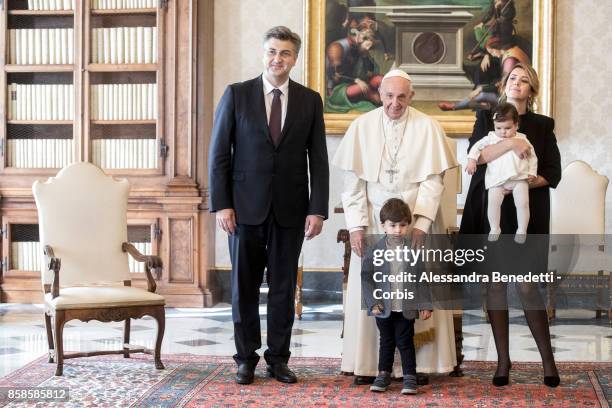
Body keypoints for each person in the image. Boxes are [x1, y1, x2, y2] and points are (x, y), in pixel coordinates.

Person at [208, 26, 329, 385]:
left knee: (283, 288)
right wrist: (223, 205)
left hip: (291, 211)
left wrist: (317, 208)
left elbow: (318, 160)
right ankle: (245, 358)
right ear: (263, 54)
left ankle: (278, 359)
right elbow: (219, 155)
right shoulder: (236, 94)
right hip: (243, 210)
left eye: (286, 53)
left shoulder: (310, 100)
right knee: (242, 288)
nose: (278, 59)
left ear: (295, 58)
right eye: (272, 52)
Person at [332, 69, 458, 385]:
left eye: (402, 96)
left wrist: (423, 224)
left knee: (416, 292)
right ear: (380, 95)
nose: (395, 103)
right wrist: (358, 226)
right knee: (375, 292)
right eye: (389, 96)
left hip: (414, 227)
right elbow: (353, 183)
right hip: (377, 226)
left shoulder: (428, 127)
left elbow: (433, 181)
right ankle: (371, 365)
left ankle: (420, 367)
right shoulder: (361, 127)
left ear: (411, 97)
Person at [459, 63, 562, 387]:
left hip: (525, 213)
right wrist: (511, 144)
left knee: (527, 286)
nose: (518, 83)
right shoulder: (485, 118)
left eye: (525, 80)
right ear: (505, 84)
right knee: (495, 286)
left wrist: (515, 184)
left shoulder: (543, 126)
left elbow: (552, 173)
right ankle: (503, 362)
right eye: (513, 78)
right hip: (493, 216)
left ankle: (548, 360)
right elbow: (478, 158)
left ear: (532, 90)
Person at [361, 198, 432, 395]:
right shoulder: (374, 250)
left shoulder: (414, 250)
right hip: (383, 307)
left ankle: (410, 376)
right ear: (383, 225)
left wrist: (426, 304)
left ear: (408, 225)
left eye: (402, 225)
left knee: (405, 341)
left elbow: (421, 278)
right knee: (386, 341)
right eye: (392, 225)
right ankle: (383, 374)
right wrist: (373, 302)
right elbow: (366, 278)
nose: (397, 230)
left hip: (405, 306)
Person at [465, 102, 537, 243]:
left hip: (519, 178)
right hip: (496, 180)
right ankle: (494, 228)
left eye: (508, 128)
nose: (503, 132)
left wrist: (532, 172)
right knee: (493, 204)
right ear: (494, 125)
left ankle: (522, 229)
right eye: (499, 128)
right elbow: (475, 148)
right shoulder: (491, 137)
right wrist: (471, 160)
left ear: (516, 125)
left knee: (523, 203)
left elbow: (533, 156)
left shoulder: (522, 139)